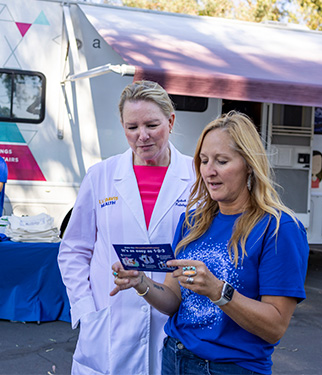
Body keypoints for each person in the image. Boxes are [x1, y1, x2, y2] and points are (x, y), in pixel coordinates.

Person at [111, 111, 310, 375]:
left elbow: (274, 327)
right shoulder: (192, 221)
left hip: (231, 368)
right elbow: (173, 301)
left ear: (249, 164)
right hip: (175, 357)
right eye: (204, 161)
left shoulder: (279, 228)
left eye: (222, 161)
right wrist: (141, 283)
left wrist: (218, 291)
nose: (209, 171)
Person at [57, 80, 195, 375]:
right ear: (122, 126)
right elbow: (73, 250)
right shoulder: (101, 176)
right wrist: (86, 309)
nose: (142, 136)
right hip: (109, 320)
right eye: (132, 127)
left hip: (173, 319)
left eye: (151, 124)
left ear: (170, 121)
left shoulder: (196, 177)